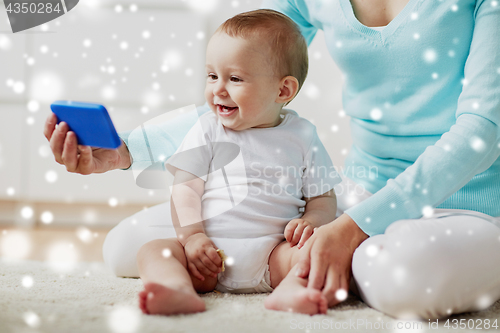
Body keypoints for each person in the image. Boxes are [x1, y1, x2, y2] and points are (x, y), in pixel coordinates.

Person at [43, 0, 500, 320]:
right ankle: (337, 267)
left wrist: (348, 227)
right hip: (358, 197)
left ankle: (332, 269)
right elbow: (244, 87)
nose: (217, 84)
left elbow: (483, 130)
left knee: (405, 281)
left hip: (463, 201)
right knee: (126, 246)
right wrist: (127, 151)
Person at [135, 9, 342, 315]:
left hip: (274, 255)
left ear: (283, 89)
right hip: (208, 257)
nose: (218, 88)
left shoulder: (303, 135)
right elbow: (186, 190)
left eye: (234, 78)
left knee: (313, 254)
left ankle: (290, 290)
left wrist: (311, 223)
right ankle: (176, 288)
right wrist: (192, 239)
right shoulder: (207, 128)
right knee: (153, 251)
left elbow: (323, 198)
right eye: (212, 75)